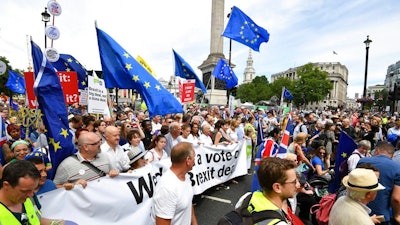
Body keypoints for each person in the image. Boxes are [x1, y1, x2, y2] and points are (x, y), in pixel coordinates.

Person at [0, 160, 65, 225]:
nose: (31, 195)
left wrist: (58, 223)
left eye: (33, 189)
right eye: (24, 191)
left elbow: (37, 219)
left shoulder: (30, 196)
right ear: (6, 185)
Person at [53, 132, 119, 189]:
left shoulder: (105, 156)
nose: (100, 144)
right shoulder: (66, 165)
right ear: (85, 147)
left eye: (100, 141)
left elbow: (113, 172)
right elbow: (55, 187)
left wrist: (114, 173)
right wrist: (73, 186)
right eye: (96, 143)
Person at [152, 142, 198, 225]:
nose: (195, 160)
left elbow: (188, 203)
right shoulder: (167, 187)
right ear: (188, 160)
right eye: (194, 157)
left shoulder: (185, 176)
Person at [357, 141, 400, 224]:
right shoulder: (397, 168)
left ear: (376, 151)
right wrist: (397, 216)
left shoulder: (362, 161)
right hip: (382, 216)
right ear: (392, 155)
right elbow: (396, 199)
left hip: (360, 212)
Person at [247, 157, 299, 224]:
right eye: (294, 182)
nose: (298, 185)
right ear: (277, 187)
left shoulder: (246, 198)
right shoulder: (279, 223)